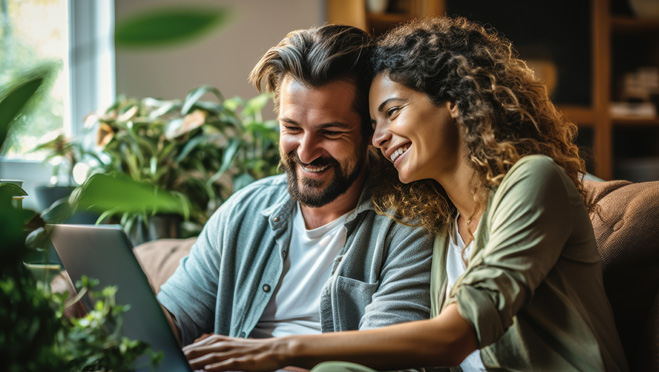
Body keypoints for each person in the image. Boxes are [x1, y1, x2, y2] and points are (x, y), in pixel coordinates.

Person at [180, 17, 630, 372]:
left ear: (455, 98)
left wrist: (277, 352)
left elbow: (454, 336)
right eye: (373, 123)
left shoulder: (532, 179)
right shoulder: (443, 221)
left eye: (392, 113)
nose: (378, 139)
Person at [156, 23, 435, 362]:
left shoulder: (407, 226)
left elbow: (386, 358)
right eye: (291, 128)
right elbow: (170, 316)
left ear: (369, 132)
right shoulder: (243, 212)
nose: (305, 151)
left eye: (330, 132)